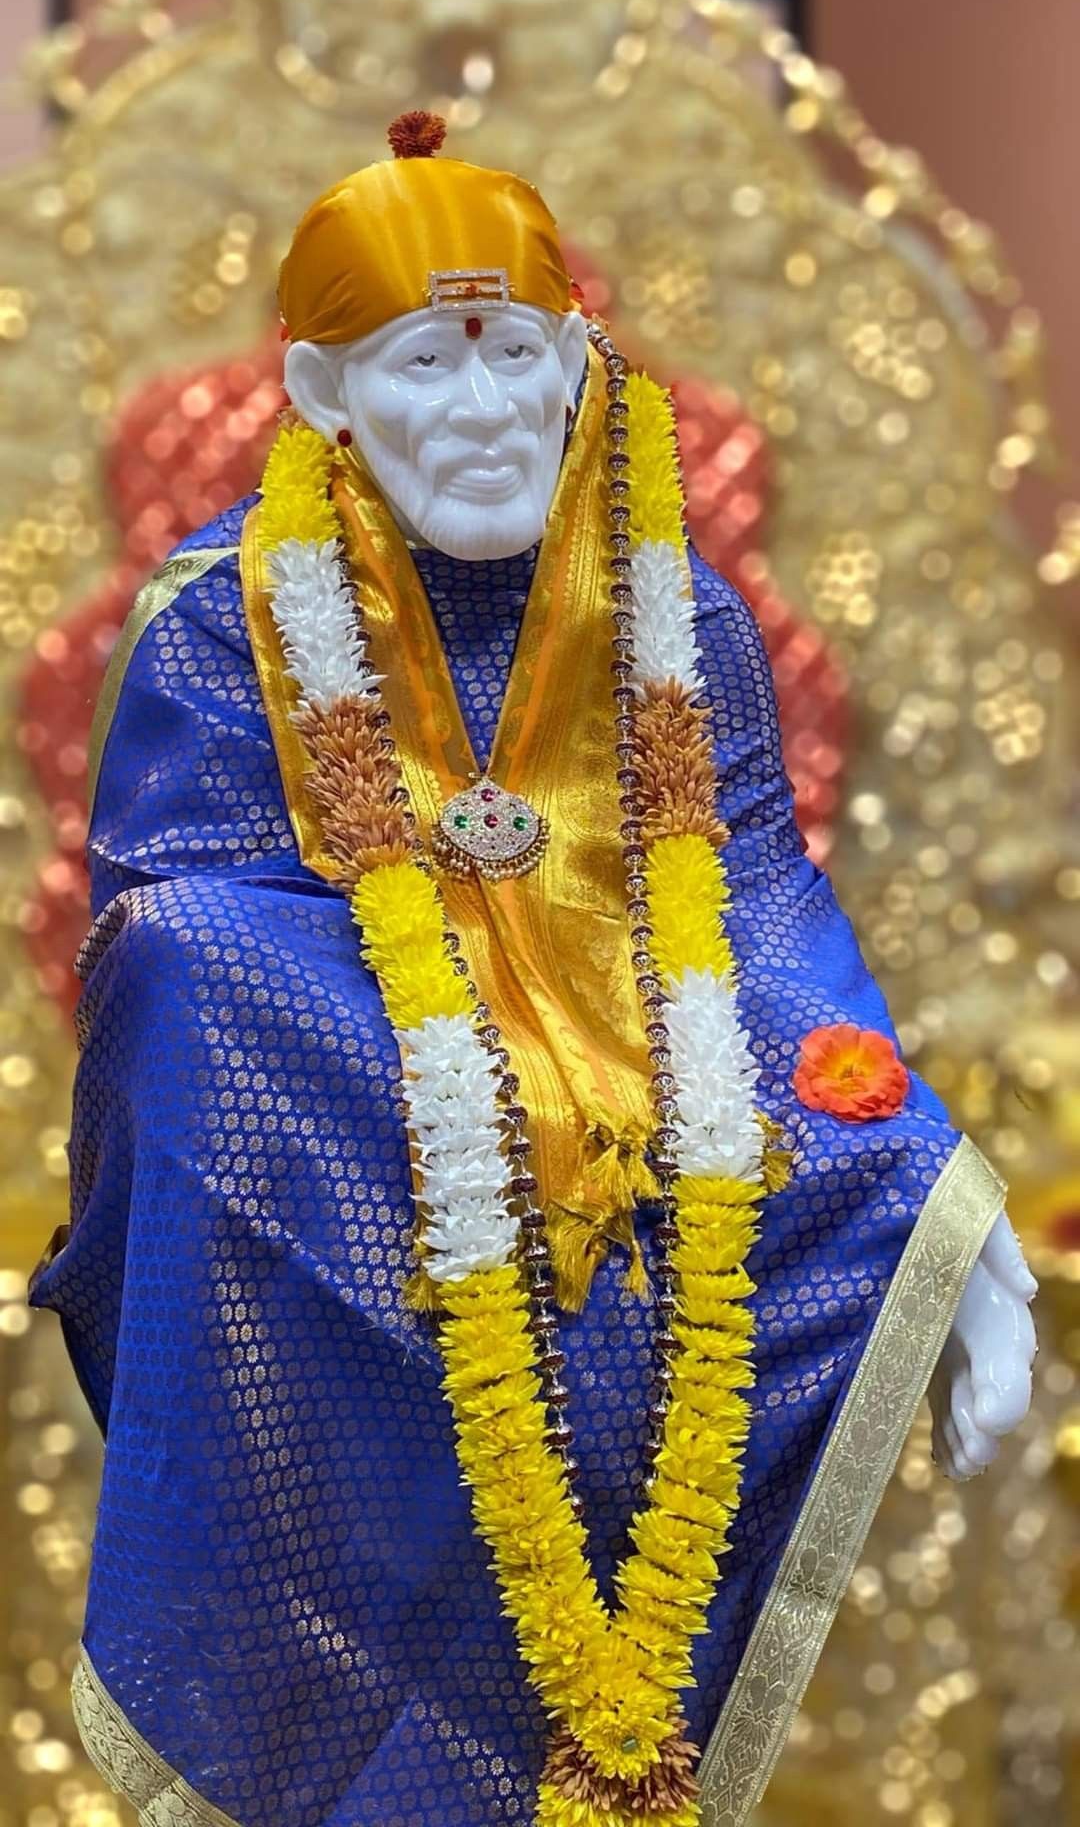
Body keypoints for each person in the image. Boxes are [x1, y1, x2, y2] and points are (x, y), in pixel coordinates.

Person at [31, 113, 1037, 1827]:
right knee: (196, 974)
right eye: (431, 361)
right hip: (357, 1217)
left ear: (586, 367)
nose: (487, 410)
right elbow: (170, 951)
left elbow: (761, 927)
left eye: (522, 355)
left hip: (669, 1203)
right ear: (325, 394)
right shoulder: (226, 621)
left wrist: (936, 1195)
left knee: (805, 1126)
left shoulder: (681, 620)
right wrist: (513, 1070)